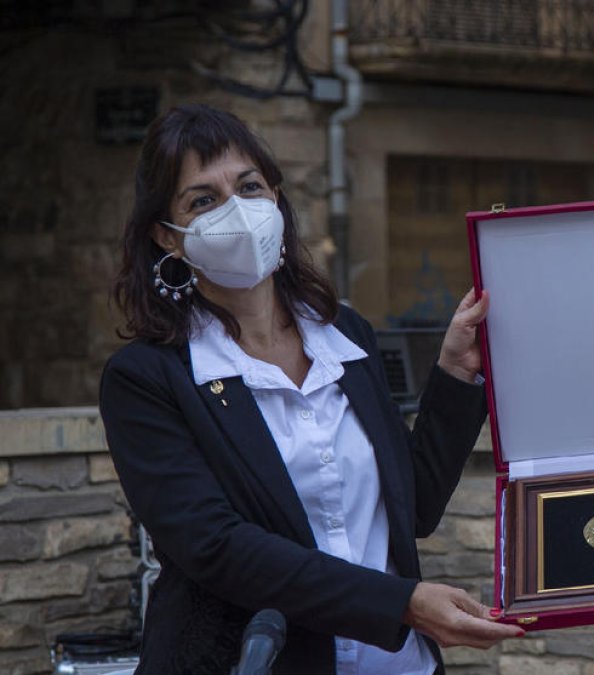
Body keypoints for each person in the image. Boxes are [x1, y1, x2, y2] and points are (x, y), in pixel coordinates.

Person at [100, 104, 522, 674]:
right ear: (167, 237)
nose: (237, 210)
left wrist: (454, 373)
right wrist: (401, 604)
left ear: (275, 195)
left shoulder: (344, 336)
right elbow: (217, 547)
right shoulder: (148, 378)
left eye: (248, 186)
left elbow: (411, 508)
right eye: (203, 200)